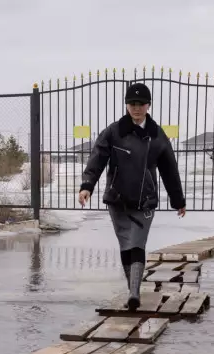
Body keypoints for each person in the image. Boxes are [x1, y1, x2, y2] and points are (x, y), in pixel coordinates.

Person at [78, 82, 186, 311]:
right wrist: (87, 185)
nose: (136, 108)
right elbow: (97, 158)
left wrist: (178, 201)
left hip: (144, 200)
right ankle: (132, 291)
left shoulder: (157, 135)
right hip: (117, 198)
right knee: (126, 244)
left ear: (148, 105)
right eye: (132, 104)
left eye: (141, 104)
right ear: (127, 105)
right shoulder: (114, 131)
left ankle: (134, 293)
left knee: (137, 243)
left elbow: (169, 169)